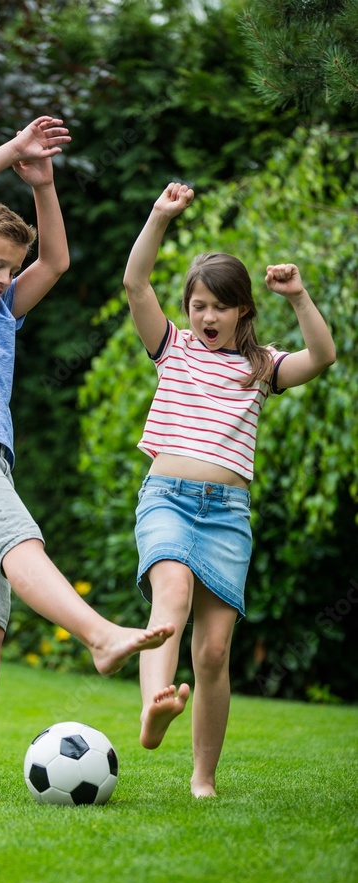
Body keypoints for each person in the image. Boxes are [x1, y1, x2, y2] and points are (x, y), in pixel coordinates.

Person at [0, 116, 174, 802]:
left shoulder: (2, 311)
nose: (3, 278)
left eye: (8, 270)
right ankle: (98, 634)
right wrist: (11, 152)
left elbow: (56, 262)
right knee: (22, 539)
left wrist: (43, 184)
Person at [123, 181, 336, 797]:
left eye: (219, 306)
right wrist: (159, 216)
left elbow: (321, 357)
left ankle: (203, 777)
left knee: (213, 652)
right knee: (171, 597)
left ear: (243, 309)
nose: (207, 317)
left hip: (226, 516)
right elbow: (137, 284)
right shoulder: (173, 350)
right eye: (198, 306)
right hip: (166, 497)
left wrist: (298, 296)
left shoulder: (261, 366)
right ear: (186, 311)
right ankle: (154, 704)